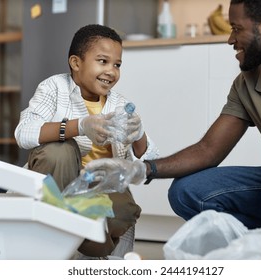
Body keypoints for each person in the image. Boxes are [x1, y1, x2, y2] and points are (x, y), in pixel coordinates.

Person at [83, 0, 261, 260]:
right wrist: (141, 169)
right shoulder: (247, 82)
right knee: (187, 191)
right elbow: (209, 150)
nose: (230, 39)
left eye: (237, 29)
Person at [14, 24, 159, 259]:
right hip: (58, 185)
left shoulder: (120, 105)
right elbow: (24, 133)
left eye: (117, 65)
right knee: (59, 150)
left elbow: (151, 162)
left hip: (98, 187)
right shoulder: (54, 88)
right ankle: (56, 231)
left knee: (124, 209)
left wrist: (138, 134)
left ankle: (78, 244)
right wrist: (79, 126)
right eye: (102, 61)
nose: (111, 71)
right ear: (76, 63)